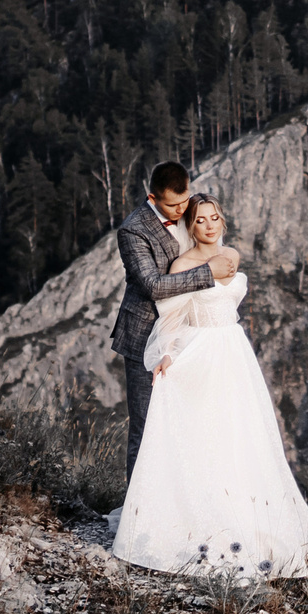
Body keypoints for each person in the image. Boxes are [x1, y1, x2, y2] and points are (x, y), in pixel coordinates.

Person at [113, 193, 308, 579]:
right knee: (202, 435)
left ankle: (248, 513)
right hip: (200, 350)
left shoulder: (233, 255)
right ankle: (197, 517)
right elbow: (172, 316)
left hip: (233, 351)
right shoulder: (184, 263)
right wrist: (166, 354)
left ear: (223, 220)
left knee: (241, 434)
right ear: (190, 227)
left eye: (214, 218)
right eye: (200, 220)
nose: (209, 225)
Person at [109, 162, 236, 481]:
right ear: (153, 197)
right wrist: (209, 274)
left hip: (190, 340)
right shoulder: (133, 229)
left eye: (185, 201)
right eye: (173, 204)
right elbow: (152, 285)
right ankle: (136, 515)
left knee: (189, 428)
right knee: (147, 427)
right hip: (144, 336)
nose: (182, 210)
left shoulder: (188, 209)